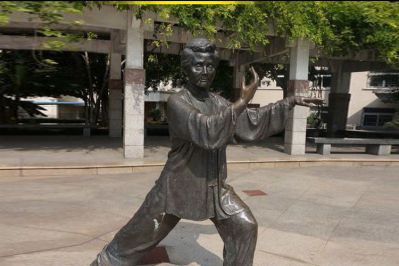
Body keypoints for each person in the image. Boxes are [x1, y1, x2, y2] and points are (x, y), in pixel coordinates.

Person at [91, 38, 321, 266]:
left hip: (214, 187)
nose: (205, 71)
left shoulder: (218, 102)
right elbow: (207, 131)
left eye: (210, 66)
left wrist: (289, 101)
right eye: (198, 65)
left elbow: (249, 122)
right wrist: (241, 101)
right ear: (186, 68)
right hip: (177, 188)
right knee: (133, 241)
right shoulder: (177, 102)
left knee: (244, 226)